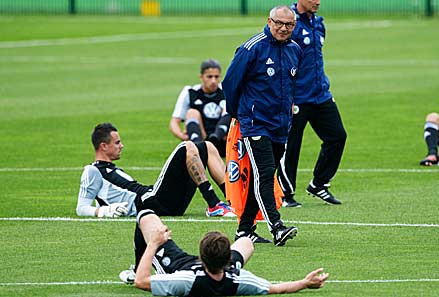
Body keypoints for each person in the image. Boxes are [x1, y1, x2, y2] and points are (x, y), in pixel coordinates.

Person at [222, 5, 302, 246]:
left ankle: (244, 229)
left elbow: (291, 86)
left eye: (289, 25)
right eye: (279, 23)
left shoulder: (295, 50)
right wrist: (241, 115)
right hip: (255, 124)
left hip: (280, 125)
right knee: (264, 173)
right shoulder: (252, 48)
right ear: (269, 21)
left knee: (265, 174)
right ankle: (276, 227)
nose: (283, 28)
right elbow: (230, 84)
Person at [131, 209, 329, 296]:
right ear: (228, 259)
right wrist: (305, 283)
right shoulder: (238, 279)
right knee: (246, 241)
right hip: (220, 270)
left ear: (202, 256)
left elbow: (142, 282)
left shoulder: (184, 279)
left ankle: (136, 265)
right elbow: (277, 289)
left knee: (146, 216)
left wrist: (154, 244)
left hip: (178, 265)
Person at [76, 122, 234, 218]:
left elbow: (105, 195)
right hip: (151, 202)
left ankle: (233, 202)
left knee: (206, 146)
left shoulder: (109, 170)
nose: (121, 146)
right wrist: (103, 211)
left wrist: (105, 206)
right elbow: (81, 208)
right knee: (187, 146)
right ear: (103, 146)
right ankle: (214, 204)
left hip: (163, 203)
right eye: (117, 143)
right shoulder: (92, 170)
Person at [277, 0, 347, 208]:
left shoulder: (318, 23)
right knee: (291, 146)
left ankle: (319, 183)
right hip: (297, 98)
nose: (318, 1)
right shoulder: (290, 24)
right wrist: (286, 97)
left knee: (337, 136)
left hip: (320, 94)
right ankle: (285, 194)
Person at [169, 59, 231, 156]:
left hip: (224, 142)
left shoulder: (225, 91)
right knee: (192, 112)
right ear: (201, 77)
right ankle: (197, 144)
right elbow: (174, 121)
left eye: (216, 77)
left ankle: (216, 136)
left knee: (229, 108)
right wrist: (182, 136)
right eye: (209, 77)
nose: (213, 81)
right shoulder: (190, 92)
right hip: (203, 137)